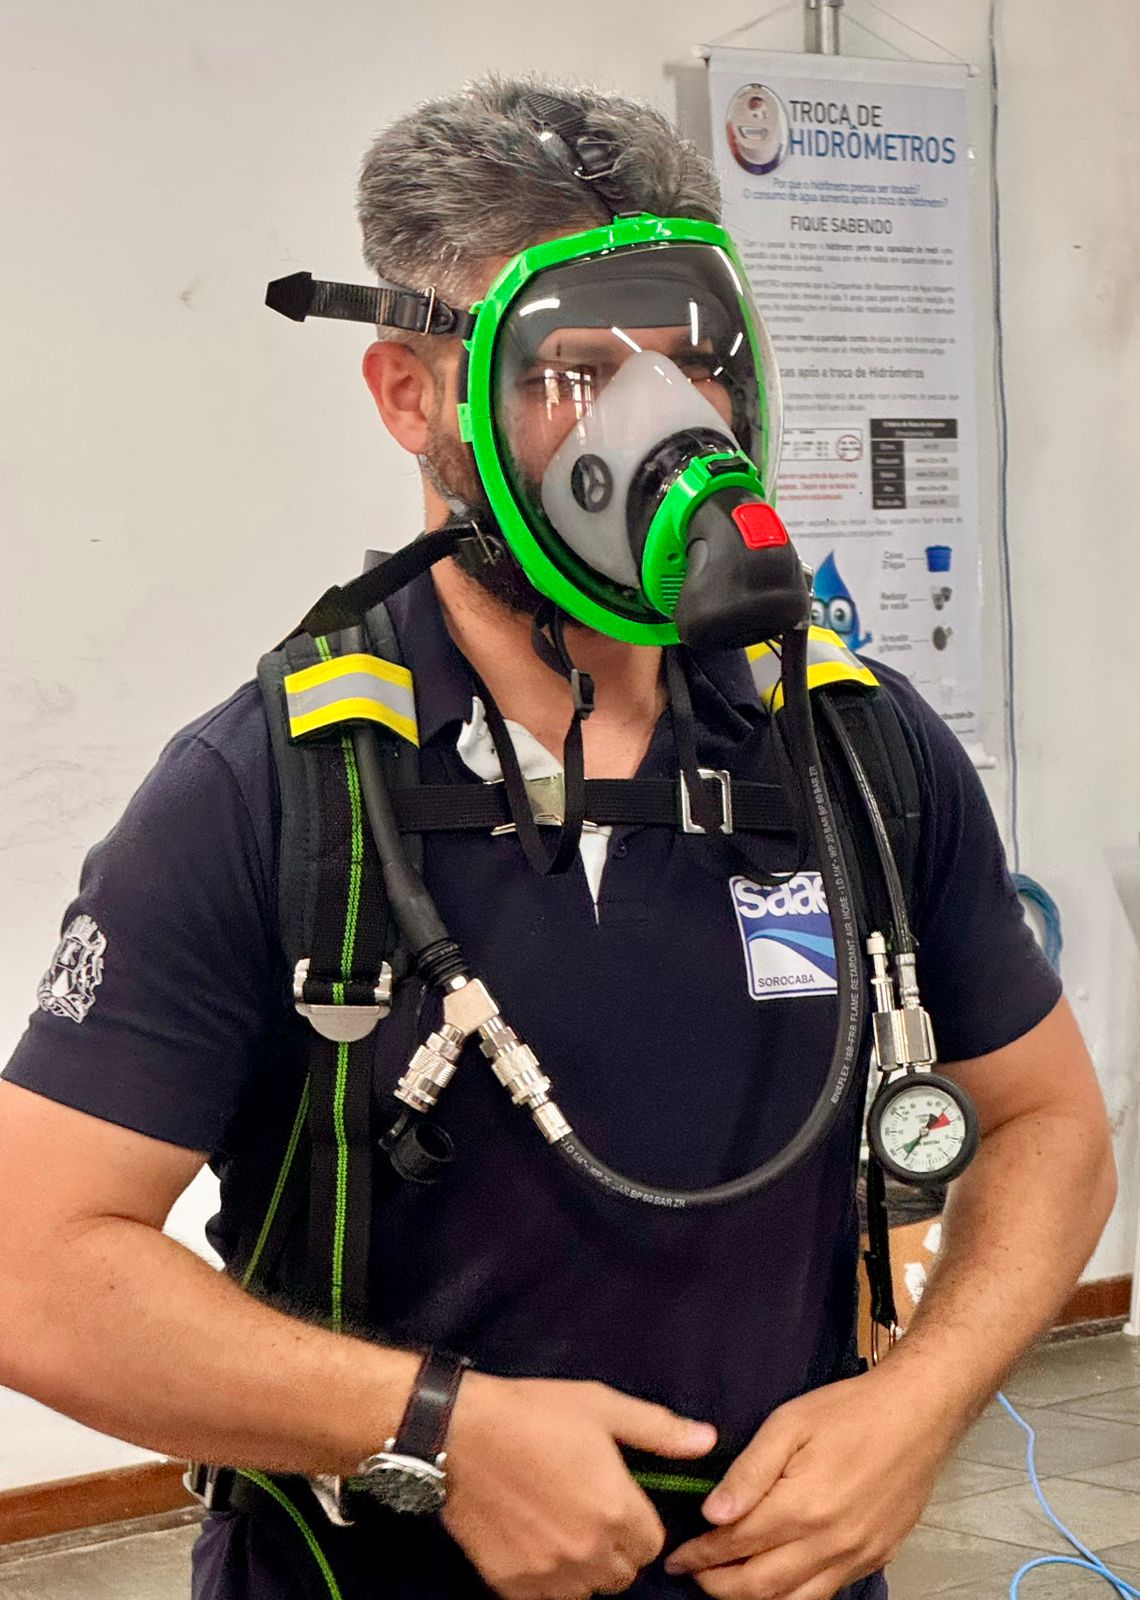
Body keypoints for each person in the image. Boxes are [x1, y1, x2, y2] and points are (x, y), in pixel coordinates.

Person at [0, 77, 1116, 1600]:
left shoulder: (853, 748)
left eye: (692, 365)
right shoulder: (270, 790)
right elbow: (34, 1266)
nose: (665, 430)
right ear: (411, 397)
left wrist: (918, 1407)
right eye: (577, 372)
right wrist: (431, 1430)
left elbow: (1051, 1127)